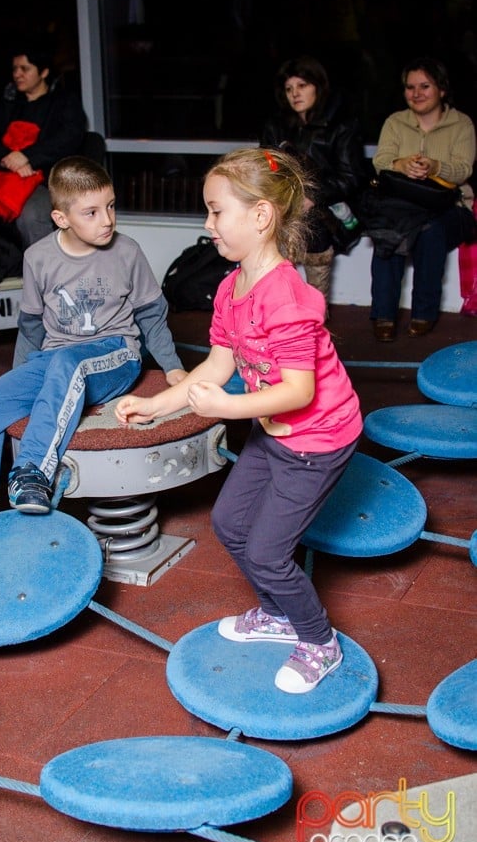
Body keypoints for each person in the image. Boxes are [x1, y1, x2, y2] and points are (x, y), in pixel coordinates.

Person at [116, 147, 362, 694]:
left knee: (268, 552)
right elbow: (219, 364)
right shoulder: (231, 288)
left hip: (318, 438)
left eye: (215, 211)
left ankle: (320, 642)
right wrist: (160, 404)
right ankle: (277, 616)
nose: (208, 225)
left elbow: (300, 389)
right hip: (272, 430)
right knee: (229, 524)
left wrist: (226, 408)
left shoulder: (290, 297)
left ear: (260, 217)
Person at [0, 155, 186, 561]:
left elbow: (152, 314)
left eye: (111, 206)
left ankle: (33, 471)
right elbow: (31, 327)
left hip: (116, 353)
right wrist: (19, 382)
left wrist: (172, 368)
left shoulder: (127, 252)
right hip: (56, 356)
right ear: (61, 218)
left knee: (69, 364)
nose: (107, 220)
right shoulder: (38, 258)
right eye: (92, 212)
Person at [368, 56, 476, 341]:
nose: (416, 93)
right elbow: (381, 162)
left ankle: (424, 313)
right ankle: (383, 316)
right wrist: (401, 164)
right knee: (388, 232)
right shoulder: (395, 122)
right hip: (403, 205)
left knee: (431, 232)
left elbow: (464, 168)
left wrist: (435, 167)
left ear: (441, 89)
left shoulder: (461, 124)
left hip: (450, 206)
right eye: (410, 87)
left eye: (425, 86)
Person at [260, 55, 368, 314]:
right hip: (285, 203)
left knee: (313, 230)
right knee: (263, 226)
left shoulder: (341, 125)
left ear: (318, 87)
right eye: (289, 89)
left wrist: (311, 197)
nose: (295, 94)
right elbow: (266, 166)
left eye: (302, 86)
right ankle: (277, 311)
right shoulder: (277, 125)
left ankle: (314, 315)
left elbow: (351, 177)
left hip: (329, 209)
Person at [0, 46, 87, 248]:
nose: (17, 74)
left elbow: (68, 138)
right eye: (15, 69)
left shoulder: (63, 103)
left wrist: (27, 157)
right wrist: (10, 159)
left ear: (43, 72)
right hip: (2, 175)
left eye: (24, 69)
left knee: (31, 215)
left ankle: (47, 274)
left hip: (44, 180)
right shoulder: (7, 102)